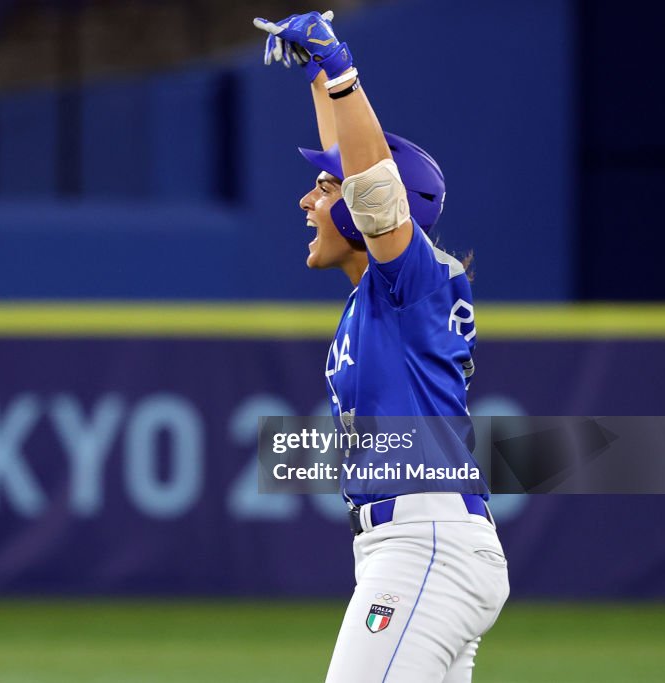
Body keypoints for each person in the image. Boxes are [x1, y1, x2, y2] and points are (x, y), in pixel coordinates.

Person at [253, 11, 510, 683]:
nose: (307, 201)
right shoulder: (390, 294)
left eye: (324, 190)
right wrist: (318, 79)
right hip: (418, 546)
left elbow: (368, 185)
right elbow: (357, 174)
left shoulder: (409, 280)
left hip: (425, 547)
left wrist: (340, 69)